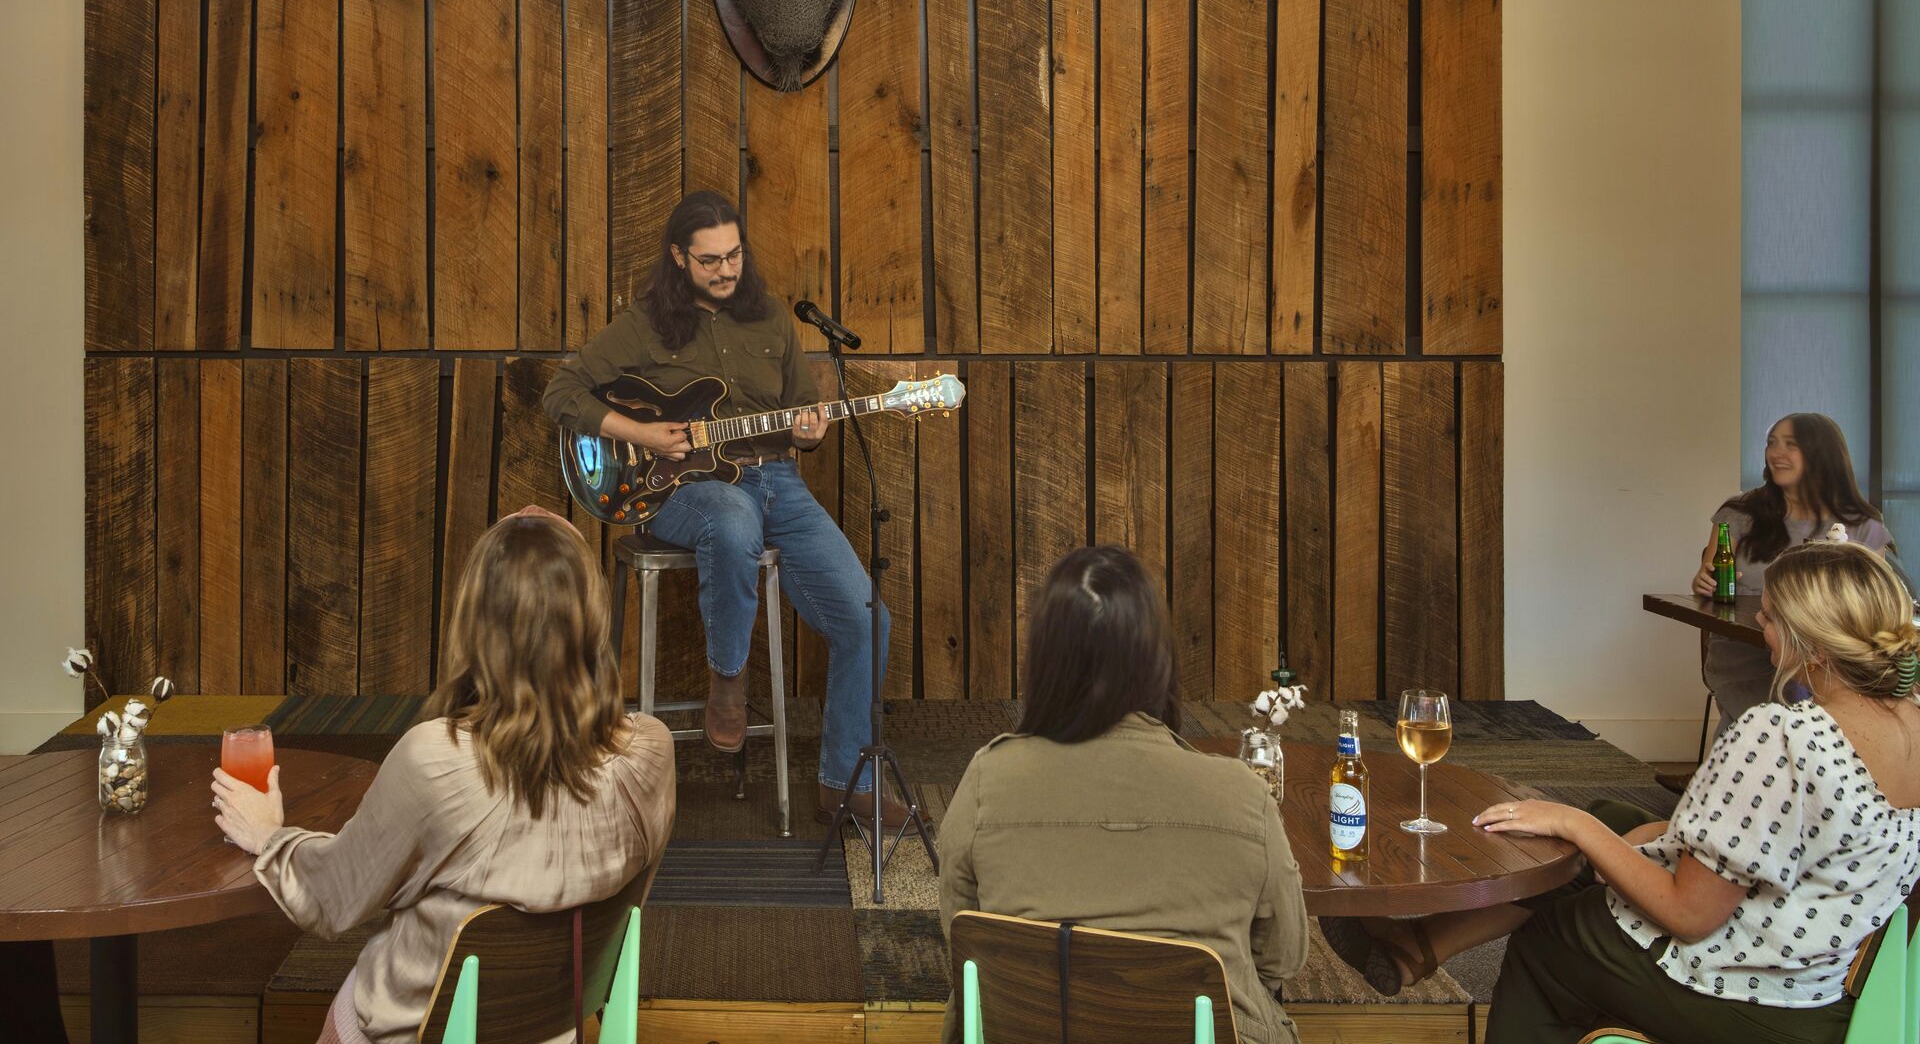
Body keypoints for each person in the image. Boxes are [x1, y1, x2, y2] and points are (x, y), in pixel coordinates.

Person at [1323, 540, 1920, 1044]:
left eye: (1769, 617)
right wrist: (1625, 834)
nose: (1759, 624)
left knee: (1558, 930)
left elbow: (1689, 916)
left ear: (1812, 646)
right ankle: (1413, 948)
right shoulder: (1911, 721)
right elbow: (1804, 836)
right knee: (1613, 819)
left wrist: (1572, 823)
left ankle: (1419, 946)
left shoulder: (1785, 734)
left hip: (1749, 995)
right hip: (1821, 982)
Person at [211, 508, 677, 1044]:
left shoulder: (436, 759)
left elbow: (333, 898)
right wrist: (561, 556)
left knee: (358, 989)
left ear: (477, 621)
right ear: (591, 617)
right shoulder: (650, 752)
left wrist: (272, 835)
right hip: (555, 1027)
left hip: (427, 1028)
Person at [542, 190, 908, 829]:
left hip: (778, 483)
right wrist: (643, 434)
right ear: (679, 258)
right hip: (680, 489)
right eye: (710, 260)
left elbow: (799, 410)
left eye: (734, 255)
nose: (726, 270)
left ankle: (843, 782)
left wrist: (809, 431)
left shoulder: (772, 319)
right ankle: (729, 681)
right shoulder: (645, 323)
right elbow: (561, 392)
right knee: (733, 522)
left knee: (868, 619)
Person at [937, 546, 1310, 1044]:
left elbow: (962, 937)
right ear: (1158, 658)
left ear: (1045, 660)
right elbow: (1283, 959)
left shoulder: (986, 780)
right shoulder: (1244, 796)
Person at [1690, 413, 1898, 732]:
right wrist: (1703, 582)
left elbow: (1873, 609)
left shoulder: (1864, 526)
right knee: (1786, 718)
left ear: (1822, 453)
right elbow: (1706, 582)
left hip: (1832, 667)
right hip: (1749, 658)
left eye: (1790, 444)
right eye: (1772, 443)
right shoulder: (1739, 514)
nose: (1776, 452)